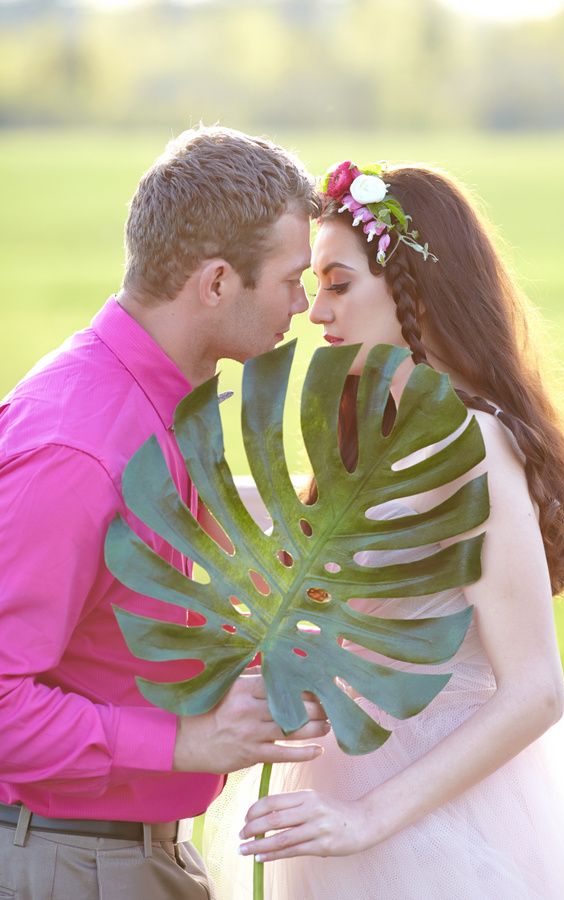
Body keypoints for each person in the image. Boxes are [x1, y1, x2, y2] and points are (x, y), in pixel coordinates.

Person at [230, 161, 564, 898]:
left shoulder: (476, 446)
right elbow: (303, 534)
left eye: (339, 283)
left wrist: (365, 820)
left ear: (416, 292)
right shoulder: (379, 434)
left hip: (432, 827)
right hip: (342, 804)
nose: (315, 311)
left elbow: (535, 692)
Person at [0, 126, 331, 899]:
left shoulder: (162, 407)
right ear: (216, 283)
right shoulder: (81, 448)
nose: (304, 304)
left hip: (118, 857)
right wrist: (188, 740)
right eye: (290, 278)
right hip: (68, 863)